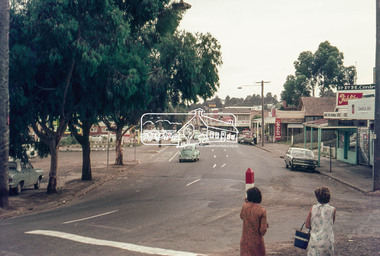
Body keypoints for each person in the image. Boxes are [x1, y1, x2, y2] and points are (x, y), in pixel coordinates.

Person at [305, 186, 336, 256]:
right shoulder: (333, 210)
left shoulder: (313, 208)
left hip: (315, 241)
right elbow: (331, 223)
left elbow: (307, 225)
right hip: (327, 241)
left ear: (317, 197)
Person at [240, 187, 268, 256]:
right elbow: (263, 231)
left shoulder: (244, 206)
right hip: (256, 243)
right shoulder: (261, 211)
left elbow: (241, 216)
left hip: (245, 241)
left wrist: (247, 201)